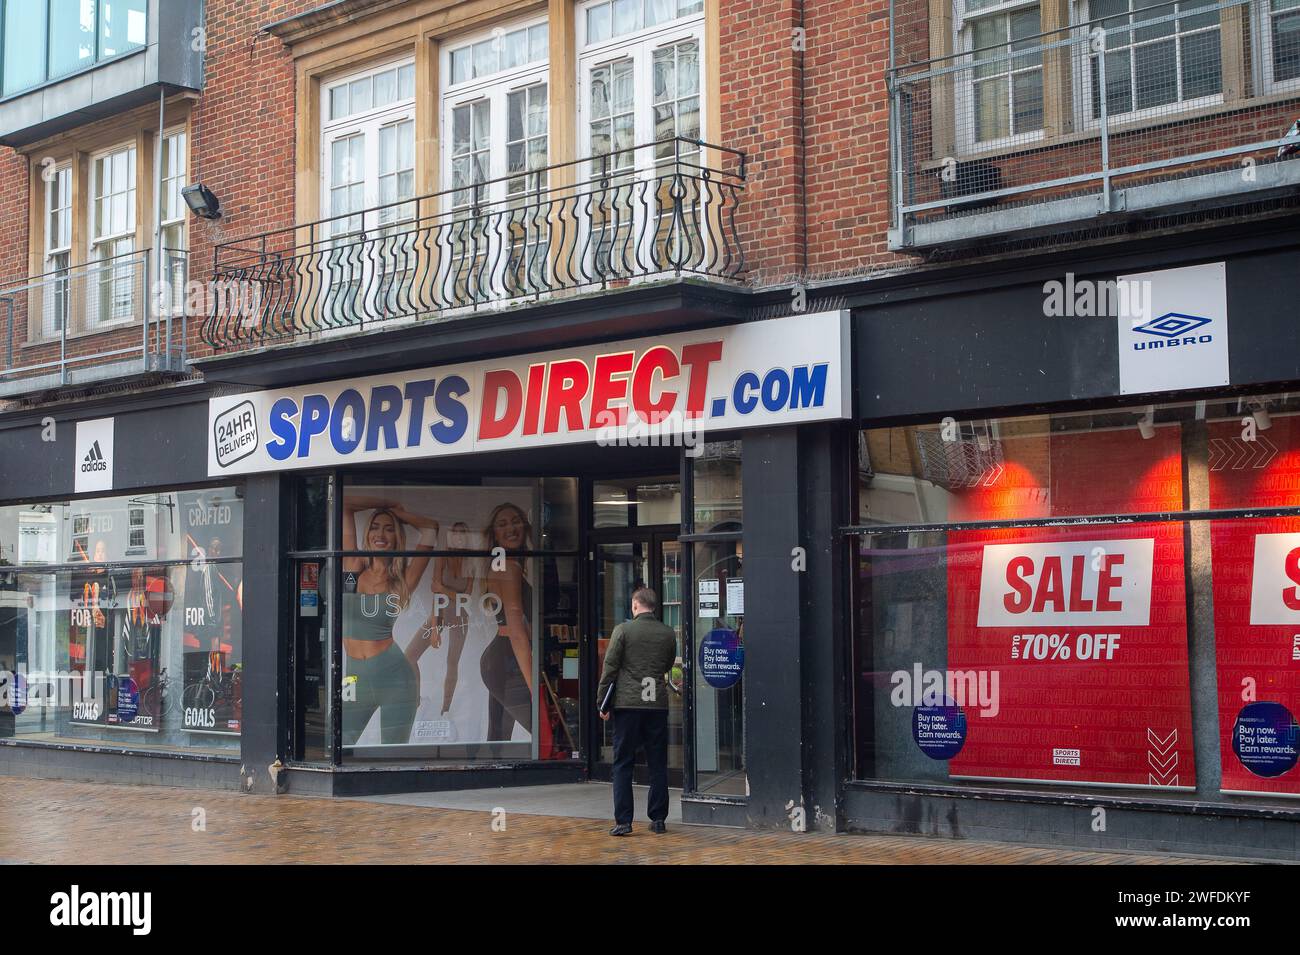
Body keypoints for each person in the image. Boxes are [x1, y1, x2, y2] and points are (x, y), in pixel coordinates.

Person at [341, 495, 439, 745]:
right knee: (342, 744)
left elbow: (430, 530)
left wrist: (400, 514)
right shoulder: (352, 568)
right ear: (368, 535)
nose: (380, 534)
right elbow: (346, 506)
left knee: (394, 753)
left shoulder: (402, 580)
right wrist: (385, 503)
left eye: (388, 529)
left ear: (397, 537)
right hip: (354, 676)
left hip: (396, 678)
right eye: (374, 527)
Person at [597, 587, 678, 836]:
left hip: (627, 705)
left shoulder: (623, 630)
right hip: (656, 705)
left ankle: (624, 821)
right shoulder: (667, 633)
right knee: (657, 763)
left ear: (635, 605)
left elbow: (610, 667)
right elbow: (666, 664)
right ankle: (658, 819)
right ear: (654, 606)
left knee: (623, 762)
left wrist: (603, 702)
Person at [479, 503, 534, 741]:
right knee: (541, 727)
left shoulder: (509, 566)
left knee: (499, 735)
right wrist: (535, 687)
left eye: (515, 521)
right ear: (494, 535)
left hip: (500, 660)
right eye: (502, 524)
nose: (511, 528)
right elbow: (517, 632)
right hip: (508, 659)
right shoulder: (508, 567)